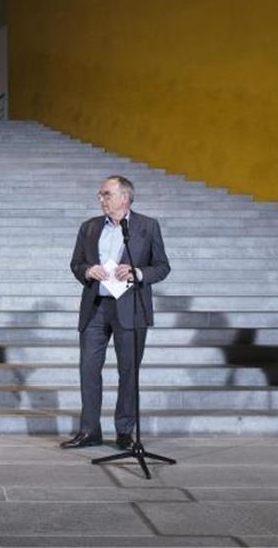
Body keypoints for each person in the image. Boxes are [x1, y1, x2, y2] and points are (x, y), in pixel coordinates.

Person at [62, 175, 171, 449]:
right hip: (96, 307)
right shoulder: (89, 227)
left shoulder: (147, 226)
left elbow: (162, 266)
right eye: (100, 194)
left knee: (128, 371)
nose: (101, 199)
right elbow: (76, 263)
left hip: (130, 307)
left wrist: (138, 273)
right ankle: (89, 430)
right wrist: (87, 270)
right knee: (88, 369)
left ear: (124, 197)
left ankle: (124, 432)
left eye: (106, 194)